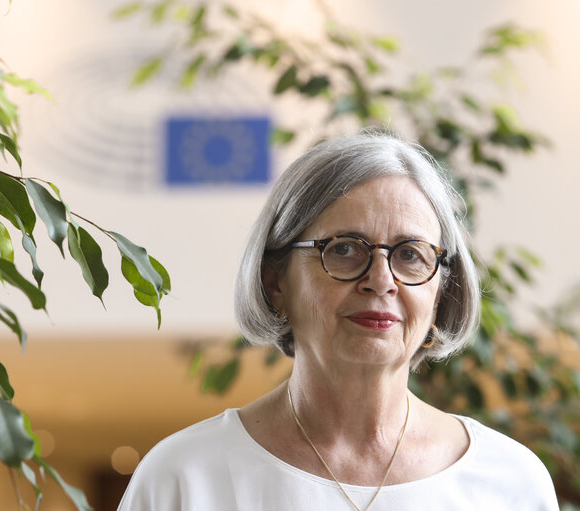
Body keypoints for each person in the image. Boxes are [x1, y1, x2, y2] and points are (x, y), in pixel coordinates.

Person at [117, 133, 559, 510]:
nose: (381, 281)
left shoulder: (512, 484)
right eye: (345, 249)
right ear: (276, 281)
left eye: (410, 254)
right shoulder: (183, 479)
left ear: (440, 290)